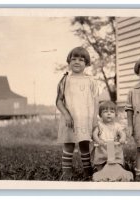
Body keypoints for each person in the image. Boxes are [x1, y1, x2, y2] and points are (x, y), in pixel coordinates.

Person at [56, 46, 99, 181]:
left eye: (81, 59)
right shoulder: (65, 79)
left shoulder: (91, 80)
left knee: (84, 145)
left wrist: (94, 119)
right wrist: (67, 115)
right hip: (70, 119)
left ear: (86, 63)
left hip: (85, 118)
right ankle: (66, 173)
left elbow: (96, 101)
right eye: (74, 59)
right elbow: (58, 101)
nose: (77, 62)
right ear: (69, 61)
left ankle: (88, 171)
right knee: (69, 144)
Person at [92, 101, 126, 172]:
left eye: (112, 112)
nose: (109, 113)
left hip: (114, 149)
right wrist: (98, 141)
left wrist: (122, 138)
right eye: (105, 111)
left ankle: (118, 169)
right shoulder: (100, 125)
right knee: (100, 161)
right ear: (100, 114)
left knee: (117, 161)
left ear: (116, 114)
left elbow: (122, 133)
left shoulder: (117, 126)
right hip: (102, 148)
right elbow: (94, 134)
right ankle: (100, 171)